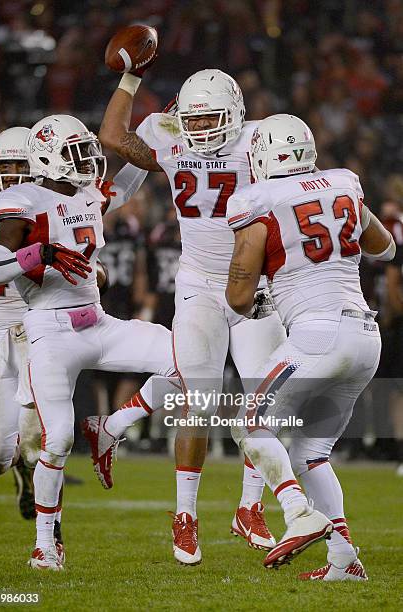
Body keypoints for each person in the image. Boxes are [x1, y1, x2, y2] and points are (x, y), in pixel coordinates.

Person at [96, 64, 288, 565]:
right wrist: (129, 78)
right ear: (182, 116)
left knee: (264, 399)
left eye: (212, 119)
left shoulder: (259, 142)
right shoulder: (168, 136)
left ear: (237, 115)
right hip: (200, 283)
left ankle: (250, 507)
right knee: (197, 400)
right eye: (194, 119)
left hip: (255, 283)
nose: (201, 129)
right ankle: (185, 517)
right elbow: (113, 137)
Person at [0, 114, 181, 571]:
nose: (89, 159)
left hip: (98, 323)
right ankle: (45, 546)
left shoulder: (88, 192)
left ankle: (112, 426)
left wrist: (152, 131)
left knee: (188, 358)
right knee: (57, 441)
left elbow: (128, 180)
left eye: (88, 149)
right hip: (49, 330)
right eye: (76, 152)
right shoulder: (23, 198)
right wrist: (40, 252)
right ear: (48, 157)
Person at [225, 113, 395, 577]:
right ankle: (344, 560)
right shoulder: (343, 183)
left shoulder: (257, 199)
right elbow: (385, 248)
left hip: (319, 335)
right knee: (309, 453)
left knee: (250, 424)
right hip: (364, 337)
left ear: (262, 156)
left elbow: (239, 298)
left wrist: (261, 295)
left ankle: (298, 513)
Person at [0, 132, 41, 520]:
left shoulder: (48, 204)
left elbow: (114, 196)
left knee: (41, 441)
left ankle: (50, 539)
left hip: (39, 330)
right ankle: (18, 469)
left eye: (22, 166)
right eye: (6, 166)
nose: (14, 175)